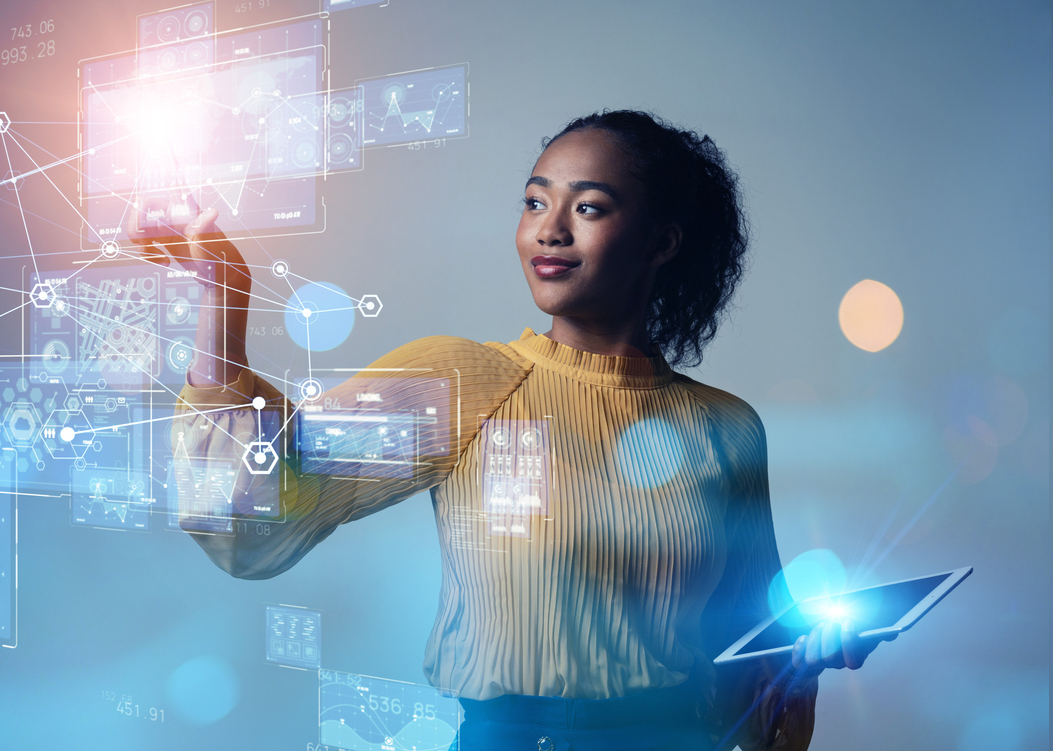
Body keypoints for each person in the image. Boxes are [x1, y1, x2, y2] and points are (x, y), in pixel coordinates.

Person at [143, 110, 891, 751]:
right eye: (535, 202)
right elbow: (254, 508)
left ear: (663, 242)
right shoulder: (464, 381)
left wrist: (807, 655)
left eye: (589, 208)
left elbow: (752, 649)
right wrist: (223, 293)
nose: (550, 230)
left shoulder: (728, 428)